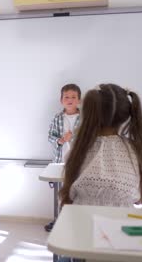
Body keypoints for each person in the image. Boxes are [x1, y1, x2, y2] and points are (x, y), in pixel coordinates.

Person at [59, 83, 142, 208]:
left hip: (81, 219)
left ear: (88, 113)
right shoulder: (136, 150)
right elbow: (139, 198)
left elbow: (69, 194)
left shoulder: (78, 149)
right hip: (121, 222)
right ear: (126, 114)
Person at [45, 83, 81, 232]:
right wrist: (60, 140)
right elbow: (50, 137)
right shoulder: (58, 118)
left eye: (73, 97)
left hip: (80, 163)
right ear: (61, 100)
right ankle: (58, 219)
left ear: (79, 100)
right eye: (66, 97)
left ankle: (77, 220)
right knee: (61, 193)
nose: (70, 100)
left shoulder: (84, 118)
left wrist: (73, 138)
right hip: (60, 162)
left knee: (78, 193)